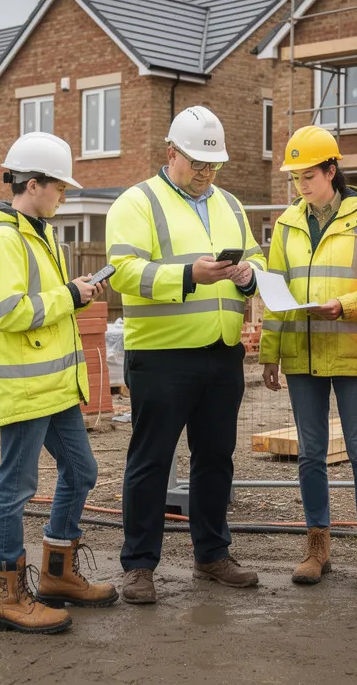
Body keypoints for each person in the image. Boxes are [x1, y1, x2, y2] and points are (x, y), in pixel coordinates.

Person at [106, 106, 267, 604]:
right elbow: (125, 273)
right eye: (197, 162)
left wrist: (249, 276)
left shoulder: (231, 204)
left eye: (213, 165)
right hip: (162, 355)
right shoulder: (136, 203)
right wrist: (189, 275)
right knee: (151, 461)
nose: (206, 173)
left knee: (216, 459)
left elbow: (257, 259)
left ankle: (212, 555)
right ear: (170, 153)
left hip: (221, 354)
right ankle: (139, 566)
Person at [0, 131, 119, 634]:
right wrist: (71, 295)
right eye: (59, 187)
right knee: (15, 489)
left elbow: (45, 303)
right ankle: (7, 597)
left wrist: (69, 293)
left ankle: (57, 575)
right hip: (24, 387)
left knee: (82, 472)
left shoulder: (38, 232)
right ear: (32, 184)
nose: (64, 196)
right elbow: (7, 311)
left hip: (53, 386)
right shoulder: (1, 239)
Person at [259, 126, 357, 592]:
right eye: (295, 177)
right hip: (303, 353)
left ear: (331, 171)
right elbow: (276, 291)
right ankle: (317, 547)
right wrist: (270, 354)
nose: (301, 185)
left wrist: (346, 306)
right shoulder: (286, 224)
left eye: (308, 175)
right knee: (310, 455)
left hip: (352, 347)